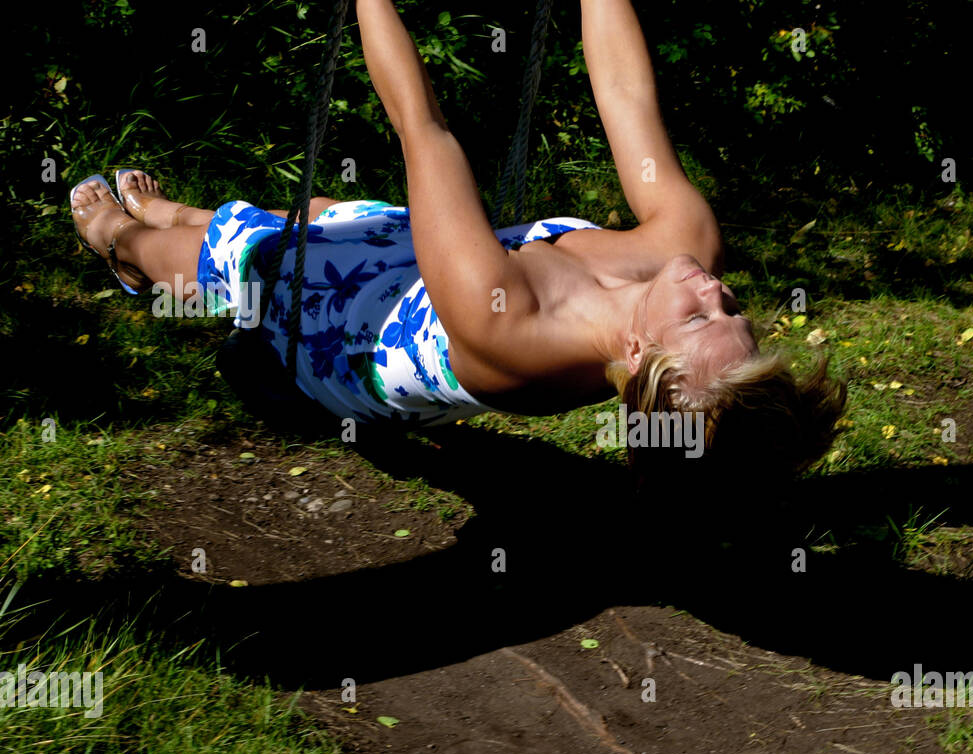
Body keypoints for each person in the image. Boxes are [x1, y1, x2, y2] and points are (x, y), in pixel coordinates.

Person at [69, 0, 845, 485]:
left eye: (701, 317)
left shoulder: (508, 328)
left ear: (639, 354)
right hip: (423, 271)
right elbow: (626, 95)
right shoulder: (689, 249)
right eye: (733, 305)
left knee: (234, 266)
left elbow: (421, 124)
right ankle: (177, 210)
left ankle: (120, 245)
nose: (713, 288)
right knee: (320, 214)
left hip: (343, 349)